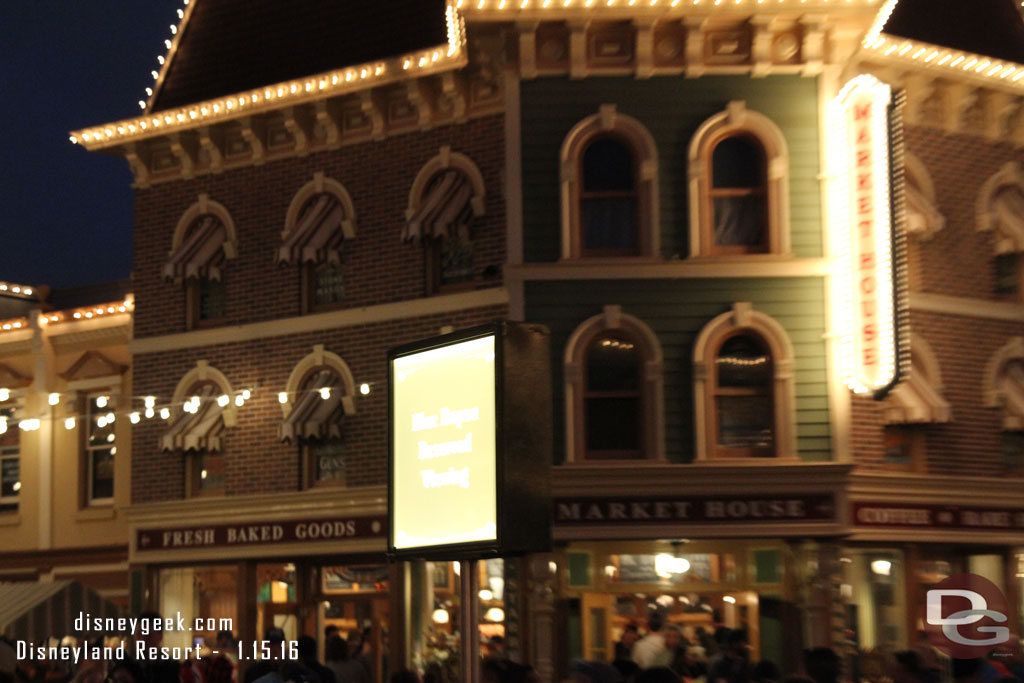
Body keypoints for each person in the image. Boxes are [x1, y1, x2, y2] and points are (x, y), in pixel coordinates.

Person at [132, 611, 182, 683]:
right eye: (138, 635)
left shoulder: (172, 668)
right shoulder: (129, 666)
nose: (142, 640)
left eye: (148, 636)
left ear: (160, 636)